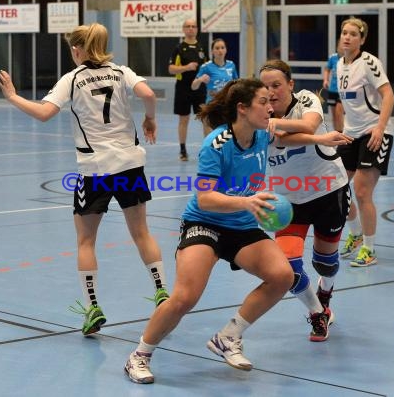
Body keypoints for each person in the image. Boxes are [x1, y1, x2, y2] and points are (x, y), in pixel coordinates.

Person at [0, 22, 169, 335]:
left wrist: (11, 96)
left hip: (95, 168)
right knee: (142, 233)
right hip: (130, 164)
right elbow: (148, 94)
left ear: (77, 49)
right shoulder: (121, 72)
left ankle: (92, 309)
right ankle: (162, 292)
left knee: (86, 240)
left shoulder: (72, 79)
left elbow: (44, 113)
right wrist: (150, 118)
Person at [124, 78, 295, 384]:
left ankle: (228, 337)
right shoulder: (216, 143)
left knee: (282, 276)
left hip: (241, 225)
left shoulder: (261, 135)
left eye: (271, 102)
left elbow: (293, 137)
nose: (271, 108)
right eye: (264, 102)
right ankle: (139, 355)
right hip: (205, 223)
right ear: (242, 109)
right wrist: (246, 202)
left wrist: (323, 140)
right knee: (184, 297)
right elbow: (205, 197)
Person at [259, 59, 352, 342]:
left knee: (326, 263)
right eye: (265, 87)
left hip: (328, 190)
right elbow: (288, 140)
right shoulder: (258, 111)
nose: (271, 92)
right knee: (288, 268)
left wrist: (275, 123)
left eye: (276, 85)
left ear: (290, 84)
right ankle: (317, 313)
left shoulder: (307, 99)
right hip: (289, 200)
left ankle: (325, 294)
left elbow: (309, 126)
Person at [336, 17, 394, 267]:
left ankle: (369, 250)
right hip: (351, 133)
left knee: (361, 191)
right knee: (336, 187)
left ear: (361, 39)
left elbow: (389, 94)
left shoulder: (369, 62)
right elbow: (343, 103)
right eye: (344, 33)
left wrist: (380, 129)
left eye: (353, 34)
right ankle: (355, 235)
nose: (347, 37)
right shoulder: (339, 64)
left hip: (374, 133)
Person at [168, 18, 207, 161]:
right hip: (183, 89)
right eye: (188, 26)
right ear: (184, 29)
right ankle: (183, 150)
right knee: (184, 119)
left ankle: (207, 150)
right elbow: (171, 69)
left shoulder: (202, 48)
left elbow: (207, 68)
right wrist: (186, 67)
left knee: (205, 119)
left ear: (197, 29)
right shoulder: (178, 48)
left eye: (193, 26)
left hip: (200, 89)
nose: (191, 28)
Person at [191, 38, 238, 105]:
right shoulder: (206, 67)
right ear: (212, 51)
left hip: (228, 103)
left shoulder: (231, 65)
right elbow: (193, 87)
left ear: (226, 50)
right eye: (217, 48)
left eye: (222, 48)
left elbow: (236, 83)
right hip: (213, 104)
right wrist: (200, 80)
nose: (220, 51)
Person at [323, 39, 344, 132]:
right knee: (334, 114)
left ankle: (342, 133)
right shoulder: (332, 57)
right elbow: (327, 69)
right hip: (332, 90)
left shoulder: (348, 59)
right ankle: (336, 133)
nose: (342, 47)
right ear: (337, 46)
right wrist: (326, 80)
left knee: (339, 112)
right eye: (340, 45)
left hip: (342, 91)